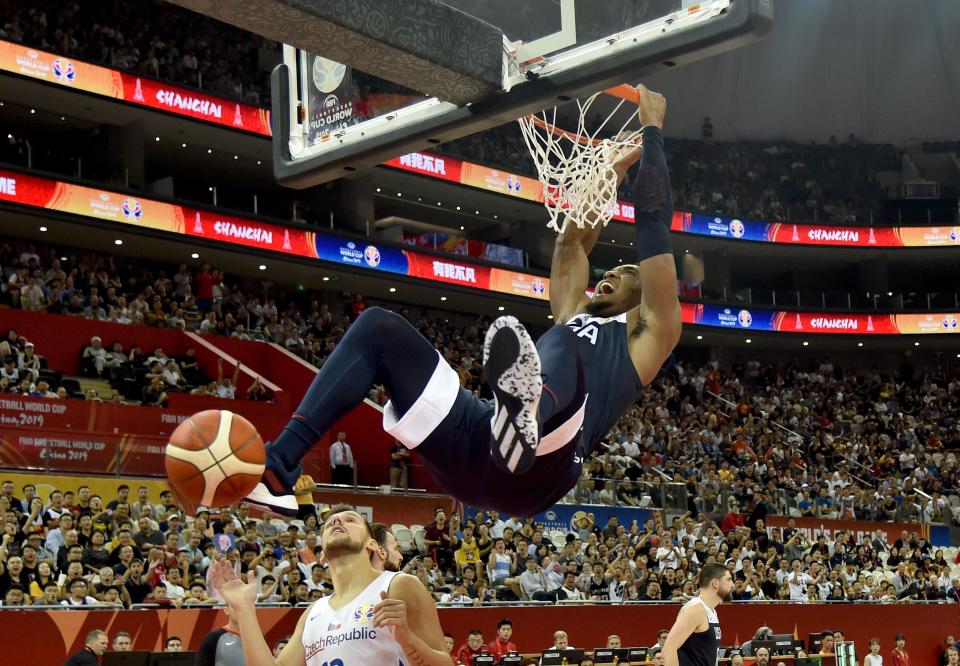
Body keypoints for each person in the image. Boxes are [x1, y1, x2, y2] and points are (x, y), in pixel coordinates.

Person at [245, 85, 680, 518]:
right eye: (613, 269)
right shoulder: (573, 310)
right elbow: (571, 244)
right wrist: (612, 170)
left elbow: (654, 226)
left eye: (627, 274)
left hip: (545, 466)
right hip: (478, 447)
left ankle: (525, 415)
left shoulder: (649, 334)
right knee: (378, 330)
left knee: (563, 346)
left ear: (645, 296)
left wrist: (653, 132)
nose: (612, 274)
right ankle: (279, 468)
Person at [209, 504, 449, 665]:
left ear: (373, 545)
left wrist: (408, 640)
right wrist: (244, 610)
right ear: (322, 554)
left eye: (350, 520)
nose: (336, 521)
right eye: (330, 522)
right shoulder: (313, 613)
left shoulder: (399, 585)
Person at [661, 564, 733, 666]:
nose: (732, 585)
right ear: (715, 583)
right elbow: (668, 649)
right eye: (729, 580)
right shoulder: (695, 609)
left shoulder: (711, 611)